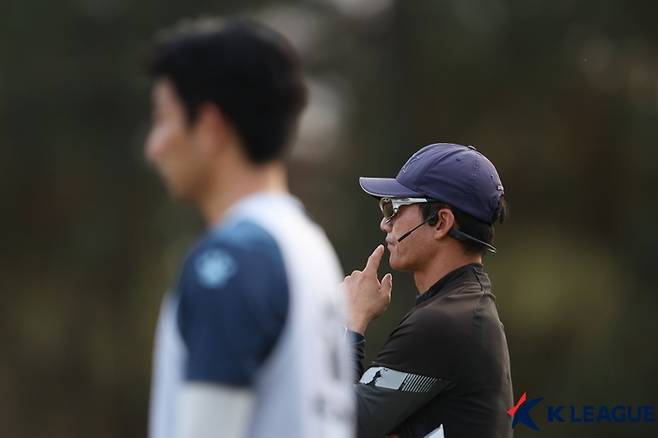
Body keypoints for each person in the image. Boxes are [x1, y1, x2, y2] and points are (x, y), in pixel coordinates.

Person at [144, 18, 354, 438]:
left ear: (210, 128)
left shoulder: (232, 258)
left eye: (163, 119)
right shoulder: (308, 245)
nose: (154, 147)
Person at [341, 143, 513, 438]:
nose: (386, 224)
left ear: (441, 222)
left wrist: (351, 323)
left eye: (394, 208)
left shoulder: (444, 322)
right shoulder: (459, 308)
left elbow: (334, 424)